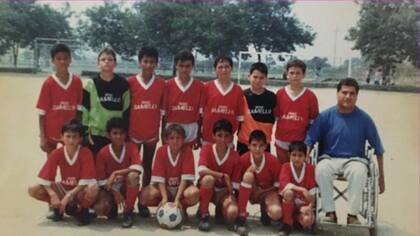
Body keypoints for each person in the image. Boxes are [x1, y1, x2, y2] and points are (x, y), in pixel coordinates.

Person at [305, 78, 385, 225]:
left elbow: (378, 149)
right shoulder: (324, 116)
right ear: (337, 93)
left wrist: (381, 179)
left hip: (355, 160)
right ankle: (330, 213)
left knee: (359, 171)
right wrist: (304, 166)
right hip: (328, 158)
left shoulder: (365, 119)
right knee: (321, 169)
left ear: (357, 96)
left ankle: (352, 215)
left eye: (352, 94)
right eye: (344, 92)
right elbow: (310, 141)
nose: (348, 96)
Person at [28, 120, 98, 225]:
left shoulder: (86, 153)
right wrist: (52, 195)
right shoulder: (56, 153)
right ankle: (58, 208)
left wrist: (69, 196)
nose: (71, 140)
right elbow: (44, 179)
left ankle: (83, 210)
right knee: (33, 189)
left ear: (80, 138)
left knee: (93, 188)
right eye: (68, 136)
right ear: (62, 137)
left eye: (74, 137)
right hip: (64, 187)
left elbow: (86, 180)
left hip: (79, 190)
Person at [127, 46, 165, 217]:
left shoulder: (161, 84)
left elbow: (163, 111)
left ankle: (142, 201)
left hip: (151, 132)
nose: (149, 65)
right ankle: (129, 201)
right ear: (139, 62)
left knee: (148, 166)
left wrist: (162, 132)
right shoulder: (130, 82)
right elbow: (126, 109)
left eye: (152, 62)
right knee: (133, 168)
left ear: (156, 63)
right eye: (145, 61)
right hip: (133, 133)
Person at [138, 124, 199, 222]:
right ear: (166, 140)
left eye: (178, 138)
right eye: (172, 138)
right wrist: (165, 198)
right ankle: (165, 207)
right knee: (144, 196)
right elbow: (160, 179)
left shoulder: (187, 151)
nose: (175, 141)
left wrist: (177, 199)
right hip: (165, 188)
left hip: (181, 189)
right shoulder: (161, 151)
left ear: (183, 139)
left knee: (194, 193)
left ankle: (181, 207)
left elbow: (185, 179)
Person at [79, 47, 130, 156]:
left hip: (116, 135)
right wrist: (84, 133)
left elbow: (126, 110)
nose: (106, 61)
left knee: (114, 168)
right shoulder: (90, 83)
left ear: (115, 64)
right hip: (96, 134)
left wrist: (124, 132)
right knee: (96, 167)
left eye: (110, 59)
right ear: (98, 64)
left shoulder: (123, 84)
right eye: (103, 59)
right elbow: (85, 110)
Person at [94, 117, 143, 228]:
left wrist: (116, 173)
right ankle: (112, 207)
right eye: (115, 133)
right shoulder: (103, 152)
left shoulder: (131, 147)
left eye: (121, 133)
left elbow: (138, 168)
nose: (118, 136)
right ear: (108, 135)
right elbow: (100, 180)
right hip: (110, 188)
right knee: (100, 209)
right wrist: (115, 192)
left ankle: (128, 211)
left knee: (133, 176)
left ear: (126, 134)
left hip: (126, 186)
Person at [36, 43, 83, 154]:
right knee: (51, 163)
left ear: (70, 60)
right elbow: (41, 113)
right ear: (53, 61)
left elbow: (79, 111)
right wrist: (43, 137)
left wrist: (79, 132)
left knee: (70, 164)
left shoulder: (77, 81)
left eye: (65, 58)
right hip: (52, 131)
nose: (62, 61)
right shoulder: (48, 83)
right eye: (59, 59)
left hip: (71, 132)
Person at [233, 130, 282, 235]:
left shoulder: (273, 161)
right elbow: (237, 184)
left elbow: (278, 186)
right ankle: (241, 215)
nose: (257, 149)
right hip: (251, 191)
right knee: (248, 175)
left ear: (266, 146)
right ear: (248, 146)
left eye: (261, 146)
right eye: (254, 145)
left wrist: (263, 192)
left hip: (268, 192)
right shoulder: (242, 160)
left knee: (276, 212)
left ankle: (265, 210)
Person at [197, 119, 241, 231]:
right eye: (219, 135)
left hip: (223, 192)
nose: (222, 139)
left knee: (233, 212)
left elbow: (234, 186)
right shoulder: (207, 149)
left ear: (231, 137)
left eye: (226, 136)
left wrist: (223, 193)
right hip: (207, 188)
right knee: (208, 179)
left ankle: (220, 209)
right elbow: (201, 169)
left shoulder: (235, 156)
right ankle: (204, 214)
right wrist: (222, 175)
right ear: (213, 136)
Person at [274, 59, 319, 163]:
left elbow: (314, 124)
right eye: (292, 73)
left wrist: (308, 145)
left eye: (298, 73)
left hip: (300, 145)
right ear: (287, 74)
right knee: (283, 174)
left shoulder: (310, 96)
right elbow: (275, 118)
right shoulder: (280, 94)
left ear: (303, 75)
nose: (295, 76)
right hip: (282, 142)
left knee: (299, 176)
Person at [162, 50, 204, 148]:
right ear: (176, 65)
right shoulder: (167, 85)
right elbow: (164, 114)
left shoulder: (200, 86)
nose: (184, 69)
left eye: (187, 66)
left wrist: (198, 136)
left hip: (190, 129)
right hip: (171, 128)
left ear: (193, 66)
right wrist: (162, 133)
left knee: (187, 160)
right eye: (181, 66)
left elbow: (200, 115)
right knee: (172, 161)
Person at [201, 56, 244, 145]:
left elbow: (239, 117)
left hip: (227, 139)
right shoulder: (207, 87)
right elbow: (200, 114)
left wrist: (232, 134)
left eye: (227, 67)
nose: (224, 70)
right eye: (220, 67)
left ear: (231, 68)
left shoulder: (238, 90)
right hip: (208, 137)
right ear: (215, 69)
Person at [237, 62, 276, 155]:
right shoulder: (242, 96)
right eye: (255, 77)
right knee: (243, 169)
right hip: (245, 143)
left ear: (266, 79)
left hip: (264, 144)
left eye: (261, 77)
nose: (258, 80)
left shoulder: (272, 97)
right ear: (249, 77)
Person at [278, 141, 316, 235]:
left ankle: (299, 222)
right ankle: (287, 223)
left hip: (303, 205)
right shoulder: (286, 167)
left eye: (300, 155)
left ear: (305, 156)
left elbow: (312, 195)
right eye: (294, 155)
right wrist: (302, 189)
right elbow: (284, 185)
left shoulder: (310, 169)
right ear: (289, 155)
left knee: (307, 220)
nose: (297, 158)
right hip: (289, 205)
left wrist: (309, 208)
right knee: (288, 193)